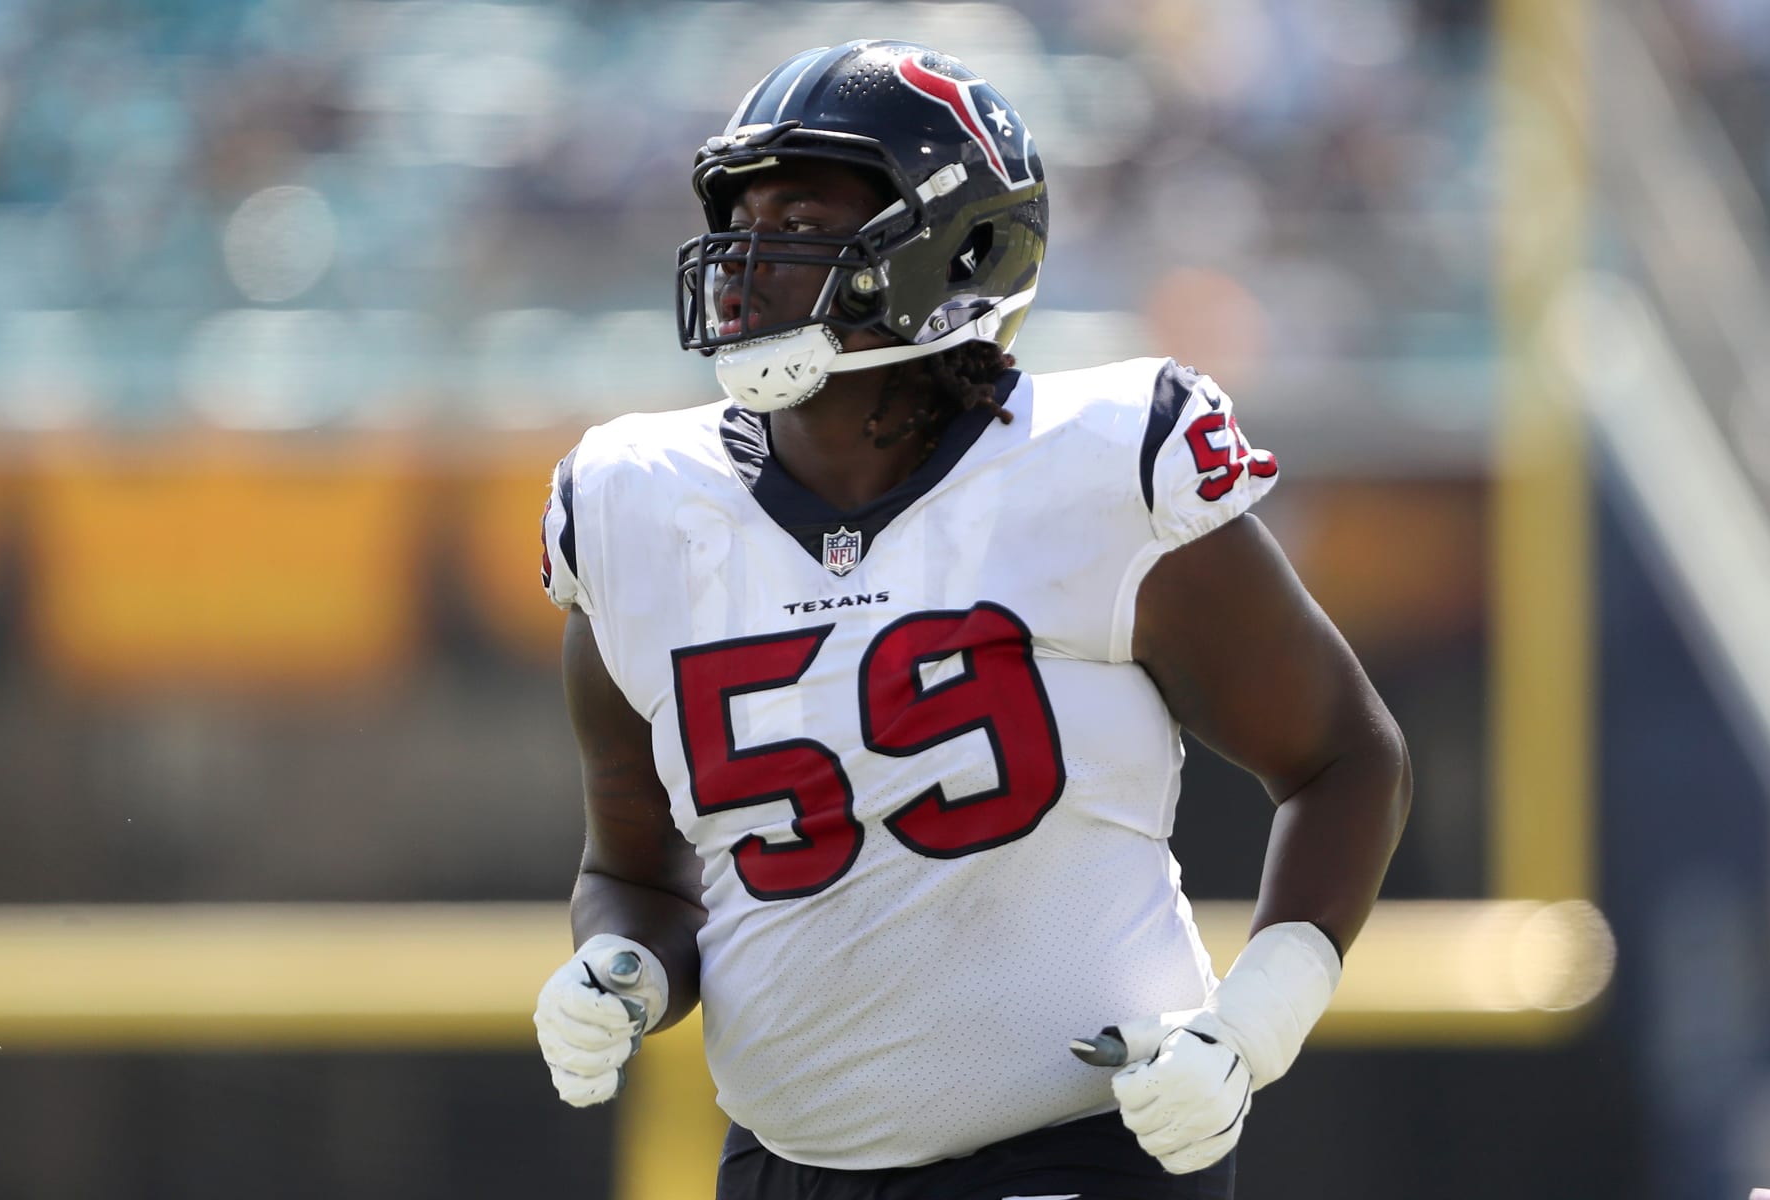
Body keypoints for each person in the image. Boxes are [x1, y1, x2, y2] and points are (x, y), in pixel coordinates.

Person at [533, 39, 1410, 1200]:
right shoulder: (634, 505)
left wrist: (1252, 1027)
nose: (743, 260)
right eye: (740, 217)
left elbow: (1346, 758)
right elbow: (639, 872)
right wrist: (621, 965)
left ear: (955, 246)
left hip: (1075, 1150)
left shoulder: (1097, 466)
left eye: (798, 219)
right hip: (784, 1170)